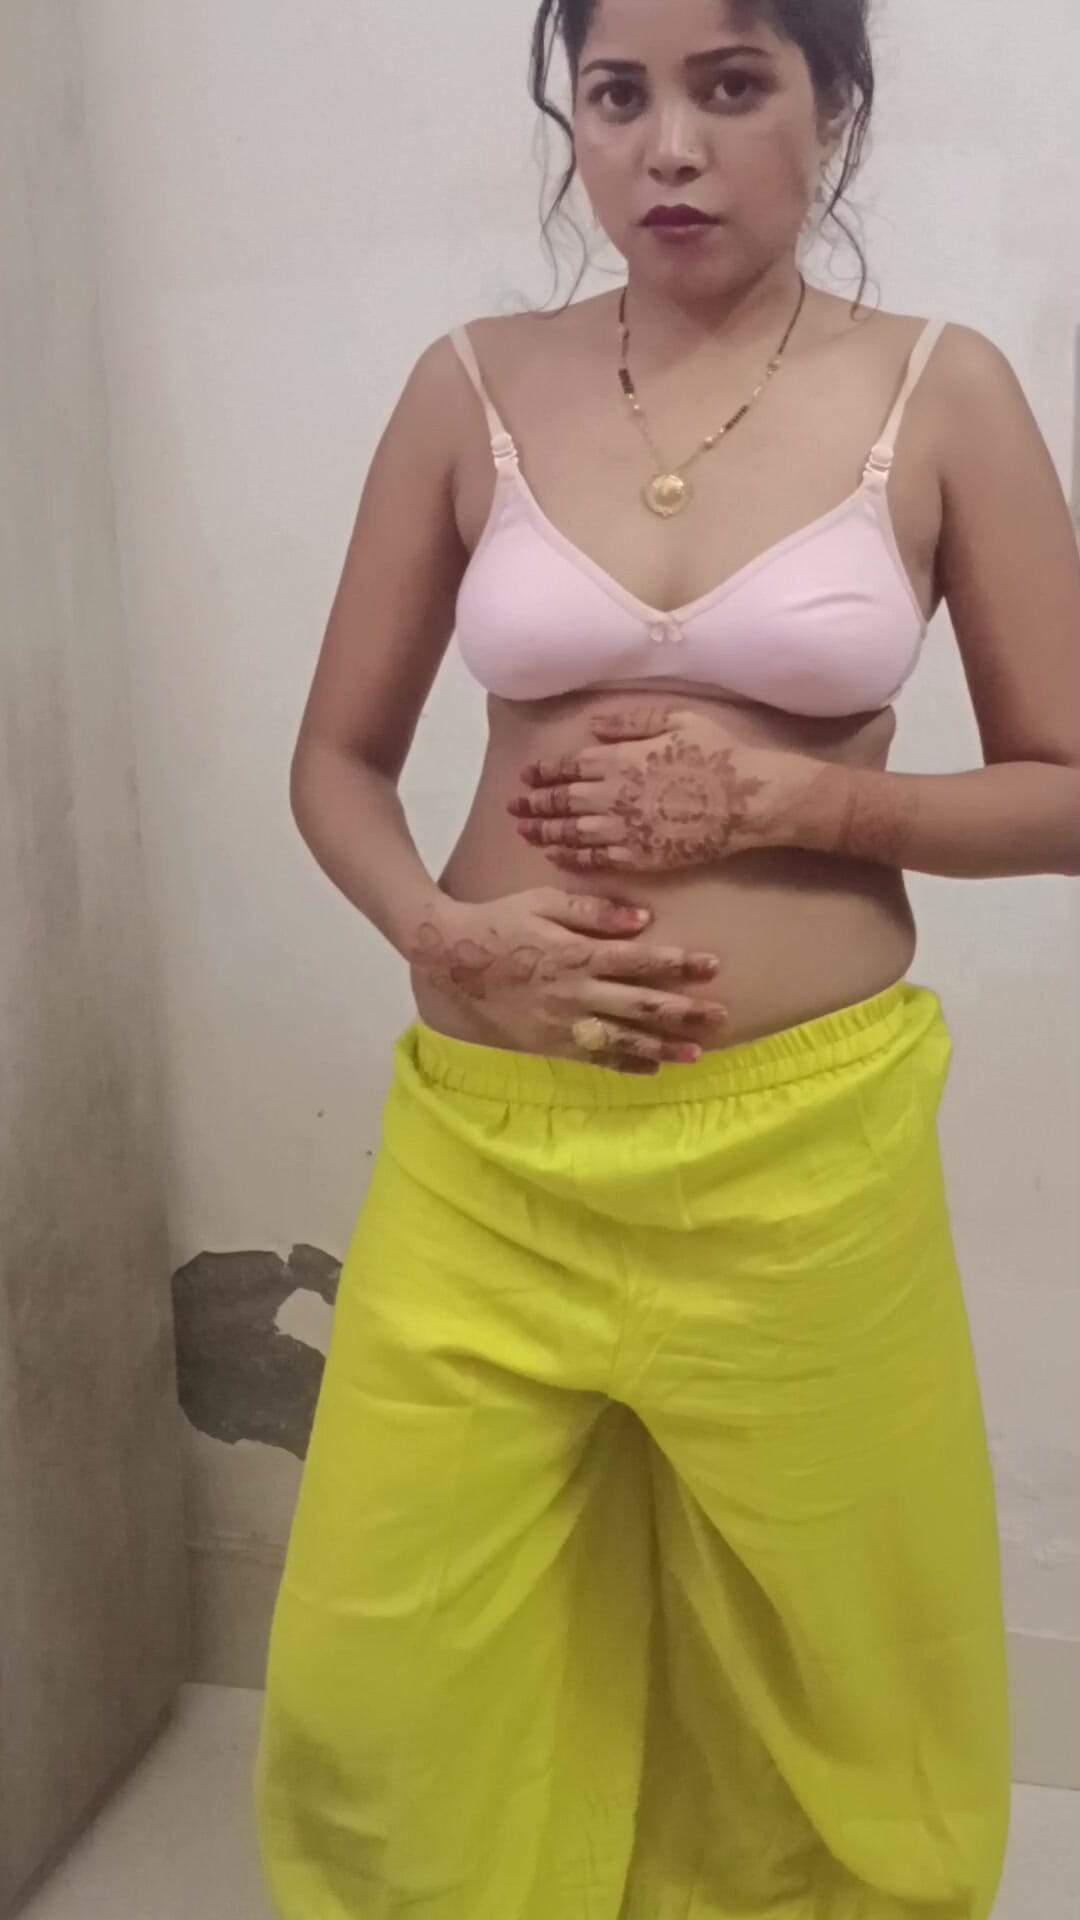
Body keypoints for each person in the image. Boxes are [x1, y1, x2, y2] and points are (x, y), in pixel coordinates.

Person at [253, 1, 1080, 1914]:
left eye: (731, 84)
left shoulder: (940, 393)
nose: (669, 147)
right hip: (490, 1147)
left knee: (833, 1657)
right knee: (389, 1657)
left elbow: (1068, 790)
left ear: (832, 107)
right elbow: (334, 762)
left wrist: (806, 805)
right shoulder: (469, 385)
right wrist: (442, 930)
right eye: (617, 95)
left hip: (803, 1156)